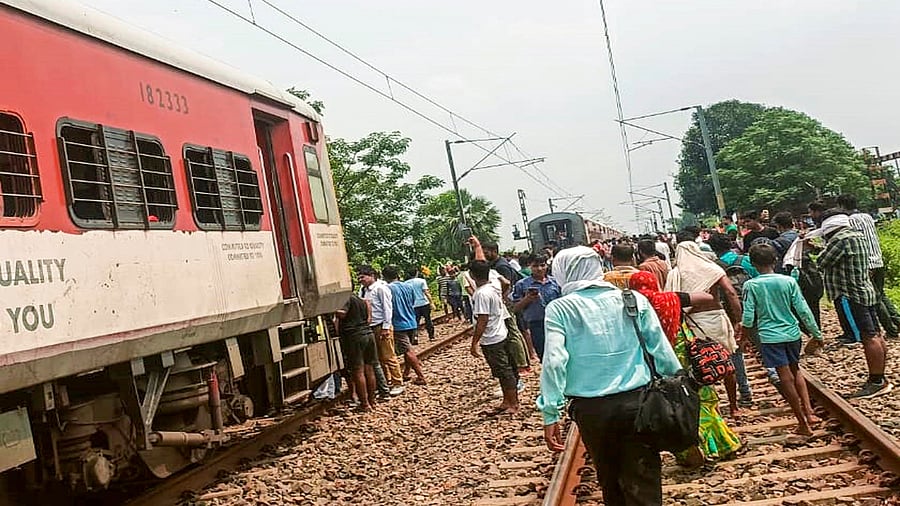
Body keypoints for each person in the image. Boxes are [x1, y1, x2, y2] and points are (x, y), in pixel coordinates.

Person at [538, 247, 682, 505]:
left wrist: (551, 412)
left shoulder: (559, 309)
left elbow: (554, 361)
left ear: (562, 272)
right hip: (638, 403)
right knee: (644, 480)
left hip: (592, 411)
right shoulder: (633, 299)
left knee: (610, 480)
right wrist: (680, 392)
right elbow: (661, 349)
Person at [628, 271, 741, 465]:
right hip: (683, 356)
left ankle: (688, 449)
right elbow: (707, 297)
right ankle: (720, 444)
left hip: (654, 362)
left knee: (671, 404)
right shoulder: (671, 299)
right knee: (699, 397)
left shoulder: (631, 306)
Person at [742, 243, 822, 434]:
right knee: (796, 370)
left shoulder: (751, 285)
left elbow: (748, 315)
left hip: (770, 337)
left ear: (752, 263)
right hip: (792, 334)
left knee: (784, 377)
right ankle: (809, 412)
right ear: (775, 260)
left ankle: (802, 423)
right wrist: (816, 333)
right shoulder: (788, 281)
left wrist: (743, 337)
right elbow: (803, 310)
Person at [666, 241, 750, 415]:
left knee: (700, 362)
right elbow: (731, 293)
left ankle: (712, 408)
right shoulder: (712, 269)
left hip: (693, 322)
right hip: (717, 319)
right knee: (727, 361)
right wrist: (738, 319)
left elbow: (671, 299)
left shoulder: (676, 273)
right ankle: (733, 406)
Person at [816, 210, 891, 398]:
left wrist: (818, 248)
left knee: (868, 337)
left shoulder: (839, 240)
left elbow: (821, 262)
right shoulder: (858, 235)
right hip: (865, 290)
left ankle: (876, 380)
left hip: (850, 294)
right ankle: (880, 376)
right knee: (875, 334)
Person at [837, 194, 900, 339]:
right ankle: (897, 320)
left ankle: (891, 329)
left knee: (875, 299)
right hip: (878, 260)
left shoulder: (849, 221)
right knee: (881, 294)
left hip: (866, 263)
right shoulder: (867, 217)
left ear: (841, 206)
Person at [470, 260, 519, 416]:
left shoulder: (481, 294)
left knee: (504, 371)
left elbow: (482, 319)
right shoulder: (493, 287)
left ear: (472, 275)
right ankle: (507, 401)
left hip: (491, 338)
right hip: (501, 333)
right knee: (503, 371)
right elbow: (506, 283)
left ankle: (513, 403)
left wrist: (474, 342)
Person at [358, 265, 404, 397]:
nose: (361, 280)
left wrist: (386, 327)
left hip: (381, 325)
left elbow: (387, 308)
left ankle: (397, 382)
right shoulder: (363, 290)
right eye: (359, 277)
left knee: (388, 356)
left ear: (372, 276)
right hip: (370, 326)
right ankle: (385, 381)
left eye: (363, 277)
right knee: (377, 358)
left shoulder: (381, 288)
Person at [511, 255, 561, 360]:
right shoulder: (522, 284)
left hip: (556, 322)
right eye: (535, 266)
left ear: (546, 265)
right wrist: (527, 299)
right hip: (536, 324)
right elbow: (515, 308)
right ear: (530, 266)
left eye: (542, 265)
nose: (539, 269)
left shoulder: (555, 282)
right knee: (543, 354)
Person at [383, 266, 427, 385]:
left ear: (384, 277)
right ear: (398, 275)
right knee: (407, 349)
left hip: (398, 323)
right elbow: (413, 301)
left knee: (408, 350)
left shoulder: (387, 289)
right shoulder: (408, 286)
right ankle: (406, 373)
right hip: (411, 321)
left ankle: (421, 376)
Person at [334, 294, 378, 411]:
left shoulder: (345, 298)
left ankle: (364, 404)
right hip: (368, 333)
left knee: (358, 371)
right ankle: (372, 401)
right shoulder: (361, 300)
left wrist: (330, 310)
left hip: (354, 336)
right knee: (369, 369)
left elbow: (342, 314)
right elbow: (369, 318)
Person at [405, 268, 435, 343]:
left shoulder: (405, 283)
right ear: (417, 273)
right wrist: (431, 303)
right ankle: (431, 336)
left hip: (414, 305)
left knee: (415, 322)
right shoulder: (421, 281)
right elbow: (426, 292)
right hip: (424, 303)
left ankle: (415, 337)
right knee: (428, 320)